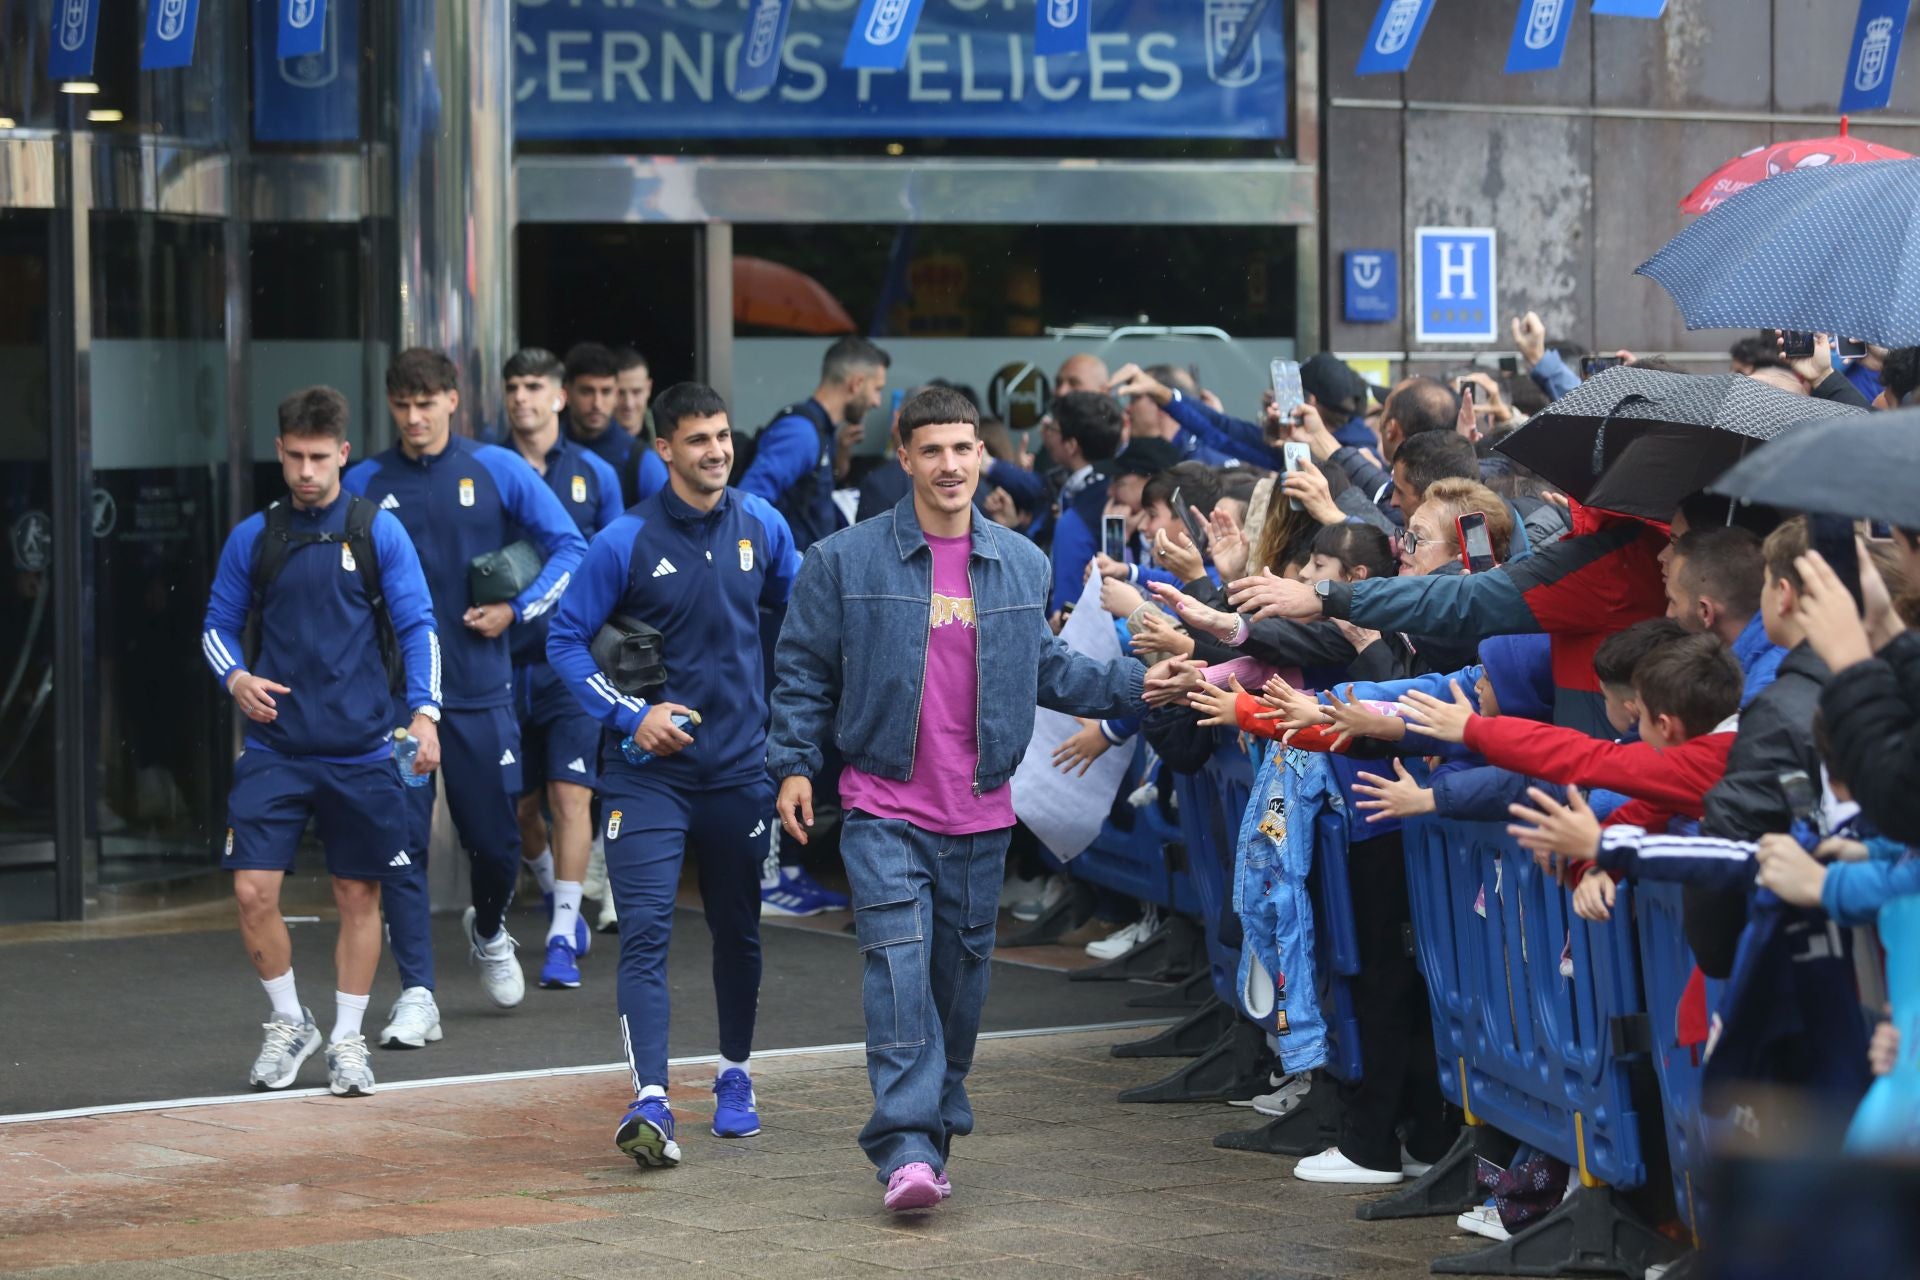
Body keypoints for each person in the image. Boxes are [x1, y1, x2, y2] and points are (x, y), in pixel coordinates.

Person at [767, 386, 1153, 1213]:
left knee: (957, 993)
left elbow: (1051, 670)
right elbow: (802, 669)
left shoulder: (1021, 562)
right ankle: (904, 1144)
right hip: (882, 807)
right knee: (898, 972)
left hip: (981, 815)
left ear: (983, 455)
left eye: (963, 449)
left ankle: (931, 1137)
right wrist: (795, 764)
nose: (949, 465)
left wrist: (1144, 684)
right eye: (932, 449)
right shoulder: (844, 560)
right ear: (902, 456)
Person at [547, 382, 801, 1169]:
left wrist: (795, 752)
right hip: (645, 776)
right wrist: (632, 717)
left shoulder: (765, 525)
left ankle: (735, 1075)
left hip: (739, 774)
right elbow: (562, 640)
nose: (717, 451)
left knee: (737, 930)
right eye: (698, 440)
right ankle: (650, 1099)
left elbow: (803, 637)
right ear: (664, 449)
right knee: (648, 932)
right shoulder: (621, 541)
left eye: (724, 436)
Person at [200, 386, 441, 1096]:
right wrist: (236, 677)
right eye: (295, 458)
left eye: (320, 458)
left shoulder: (376, 532)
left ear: (342, 454)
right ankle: (289, 1021)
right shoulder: (255, 535)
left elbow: (419, 626)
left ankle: (345, 1039)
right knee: (252, 891)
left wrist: (425, 713)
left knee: (357, 893)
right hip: (276, 748)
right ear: (280, 453)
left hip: (363, 747)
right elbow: (216, 625)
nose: (307, 472)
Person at [343, 348, 588, 1044]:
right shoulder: (365, 481)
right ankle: (418, 992)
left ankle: (487, 929)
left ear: (453, 400)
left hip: (482, 689)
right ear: (390, 407)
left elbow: (569, 548)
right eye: (402, 406)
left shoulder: (497, 467)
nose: (415, 419)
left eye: (428, 404)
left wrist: (518, 612)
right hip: (394, 702)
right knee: (402, 845)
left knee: (496, 842)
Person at [500, 347, 624, 990]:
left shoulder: (596, 474)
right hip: (501, 664)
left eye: (533, 387)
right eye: (513, 387)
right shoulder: (487, 469)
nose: (522, 397)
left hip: (571, 665)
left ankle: (559, 937)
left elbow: (617, 564)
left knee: (571, 796)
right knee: (519, 809)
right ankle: (555, 893)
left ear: (557, 397)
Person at [739, 335, 890, 553]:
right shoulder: (801, 433)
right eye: (877, 389)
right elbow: (747, 506)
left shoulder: (820, 430)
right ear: (856, 384)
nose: (877, 402)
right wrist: (784, 564)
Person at [1664, 525, 1783, 706]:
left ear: (1706, 612)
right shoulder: (1773, 652)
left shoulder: (1758, 698)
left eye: (1673, 601)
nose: (1669, 613)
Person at [1043, 390, 1126, 614]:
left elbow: (1067, 602)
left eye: (1053, 430)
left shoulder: (1075, 521)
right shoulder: (1116, 493)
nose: (1047, 435)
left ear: (1071, 445)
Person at [560, 342, 634, 470]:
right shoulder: (542, 451)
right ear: (566, 393)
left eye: (606, 392)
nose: (597, 404)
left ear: (616, 394)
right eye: (586, 392)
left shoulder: (639, 460)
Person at [614, 348, 654, 440]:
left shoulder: (670, 432)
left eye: (636, 392)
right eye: (620, 393)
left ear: (649, 388)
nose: (628, 403)